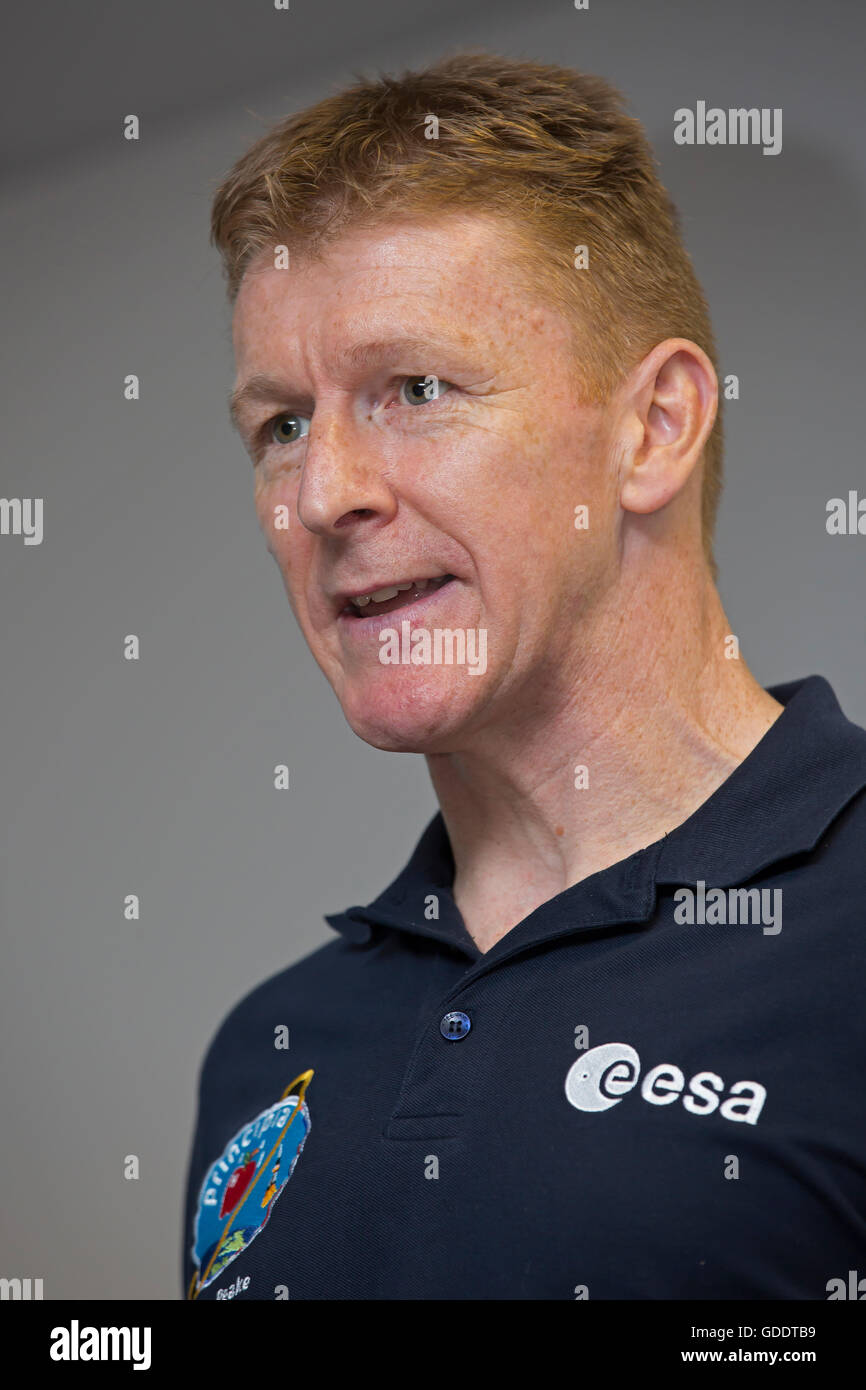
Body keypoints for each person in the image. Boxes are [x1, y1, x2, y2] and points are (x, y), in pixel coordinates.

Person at [183, 53, 866, 1300]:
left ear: (651, 426)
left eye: (415, 389)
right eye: (281, 423)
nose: (324, 491)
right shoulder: (265, 1053)